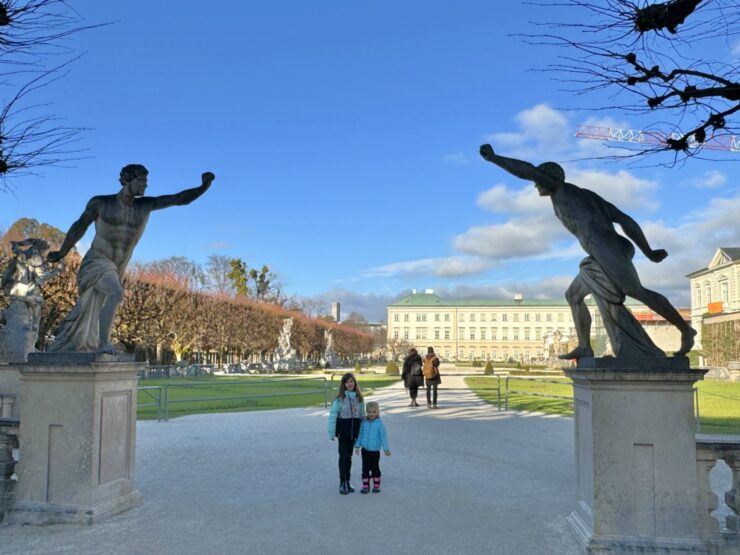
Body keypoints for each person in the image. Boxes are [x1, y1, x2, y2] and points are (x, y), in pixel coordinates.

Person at [479, 144, 696, 359]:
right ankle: (585, 346)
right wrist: (647, 250)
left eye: (539, 180)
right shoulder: (586, 196)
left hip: (604, 245)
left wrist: (495, 158)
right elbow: (624, 219)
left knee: (634, 290)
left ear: (551, 177)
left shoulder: (561, 190)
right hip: (605, 247)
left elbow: (528, 171)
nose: (536, 185)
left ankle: (685, 329)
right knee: (573, 295)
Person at [47, 165, 215, 353]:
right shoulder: (101, 203)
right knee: (116, 294)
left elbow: (178, 199)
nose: (145, 186)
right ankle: (103, 344)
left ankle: (80, 341)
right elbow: (79, 226)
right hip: (96, 261)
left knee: (91, 311)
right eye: (142, 181)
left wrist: (203, 187)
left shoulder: (145, 206)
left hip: (117, 267)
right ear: (128, 180)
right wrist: (62, 252)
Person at [327, 372, 365, 495]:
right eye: (347, 382)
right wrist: (331, 432)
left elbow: (362, 416)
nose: (350, 384)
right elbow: (333, 415)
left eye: (352, 381)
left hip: (353, 431)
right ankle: (342, 482)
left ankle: (347, 481)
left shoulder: (359, 397)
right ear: (344, 384)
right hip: (343, 431)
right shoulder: (340, 399)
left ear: (355, 383)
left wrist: (363, 432)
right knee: (343, 457)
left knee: (349, 458)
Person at [354, 401, 391, 493]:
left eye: (374, 412)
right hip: (365, 450)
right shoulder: (364, 422)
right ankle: (365, 486)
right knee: (365, 468)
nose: (371, 414)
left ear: (378, 412)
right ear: (367, 412)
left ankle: (376, 485)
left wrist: (386, 449)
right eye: (369, 412)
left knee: (375, 468)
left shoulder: (379, 423)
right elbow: (360, 434)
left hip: (375, 451)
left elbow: (383, 437)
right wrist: (357, 446)